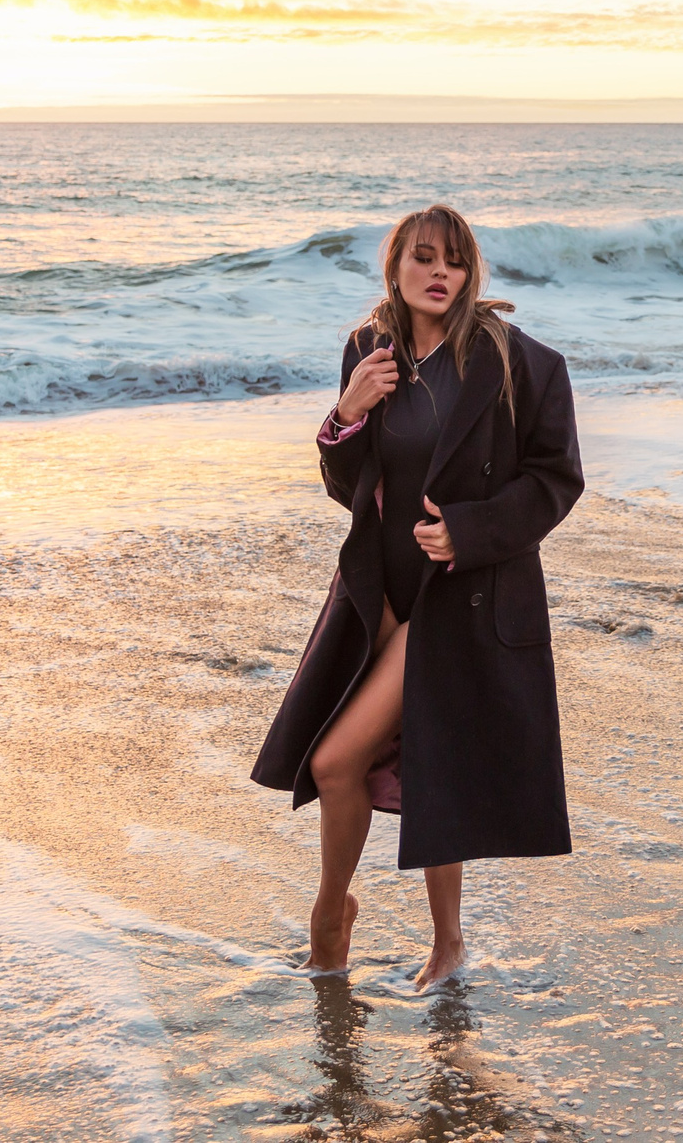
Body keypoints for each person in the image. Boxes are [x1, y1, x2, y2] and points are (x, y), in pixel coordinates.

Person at [250, 204, 583, 989]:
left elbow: (556, 480)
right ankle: (395, 930)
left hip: (459, 601)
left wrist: (469, 531)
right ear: (394, 265)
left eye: (457, 261)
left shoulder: (517, 363)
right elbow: (351, 487)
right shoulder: (369, 349)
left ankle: (357, 926)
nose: (442, 274)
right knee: (409, 764)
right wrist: (345, 414)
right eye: (425, 258)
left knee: (347, 761)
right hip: (379, 598)